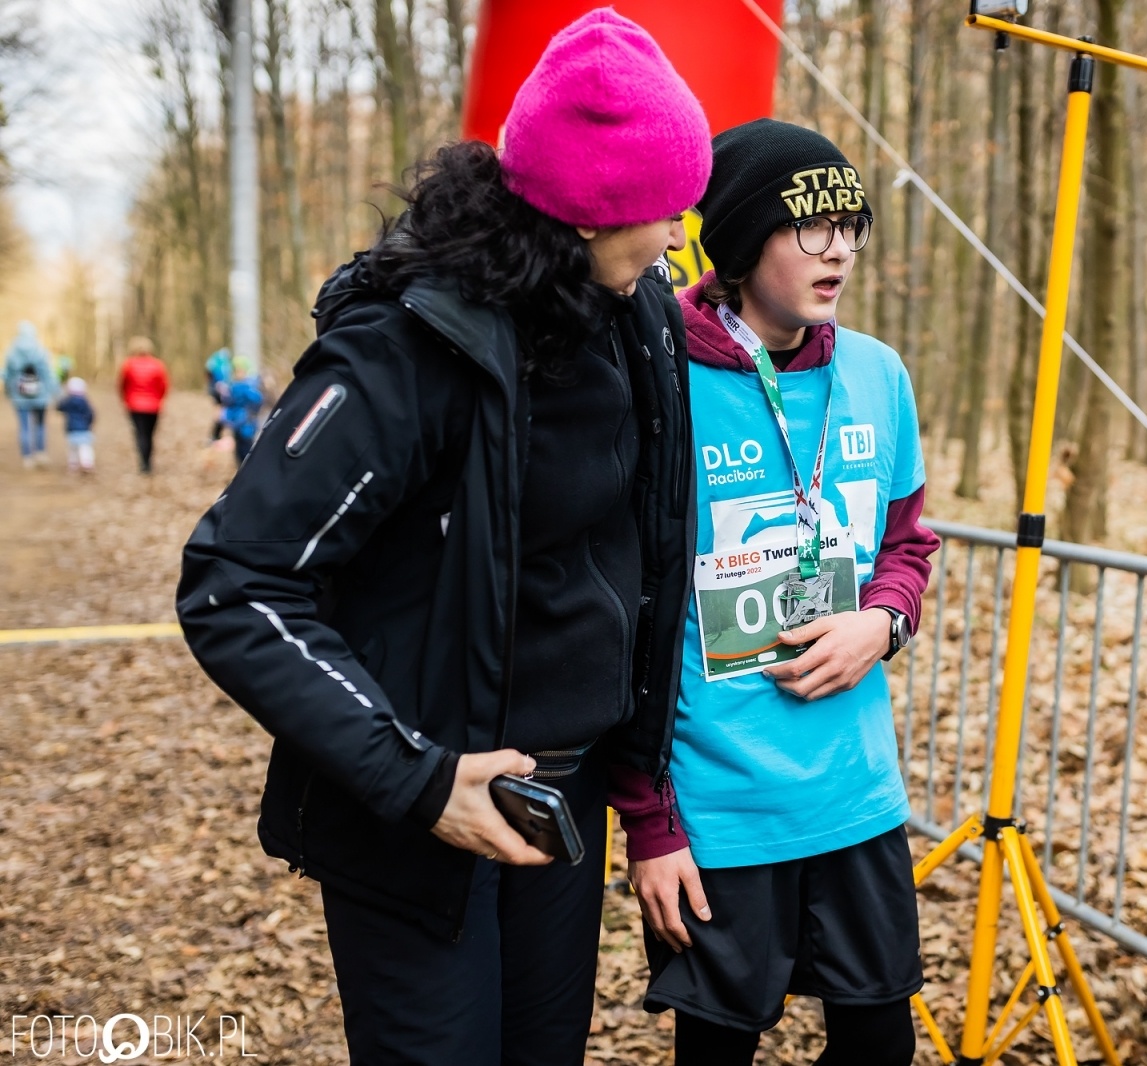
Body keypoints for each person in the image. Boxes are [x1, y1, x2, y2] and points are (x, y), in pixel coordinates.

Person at [175, 10, 710, 1065]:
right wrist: (420, 780)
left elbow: (637, 548)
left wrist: (643, 786)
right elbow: (234, 584)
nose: (677, 235)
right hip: (419, 810)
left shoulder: (638, 310)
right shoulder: (405, 347)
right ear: (592, 214)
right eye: (664, 209)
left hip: (564, 800)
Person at [621, 119, 938, 1066]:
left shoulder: (878, 374)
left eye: (852, 225)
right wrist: (648, 821)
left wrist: (879, 626)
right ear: (740, 236)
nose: (838, 247)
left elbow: (908, 545)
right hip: (718, 805)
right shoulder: (656, 376)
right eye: (810, 227)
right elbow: (621, 612)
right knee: (716, 1053)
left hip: (856, 795)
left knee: (880, 1044)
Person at [4, 321, 58, 468]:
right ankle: (40, 453)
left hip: (19, 396)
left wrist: (9, 391)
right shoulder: (40, 350)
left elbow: (7, 375)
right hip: (40, 395)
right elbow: (48, 374)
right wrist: (55, 392)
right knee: (40, 425)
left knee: (24, 426)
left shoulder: (12, 351)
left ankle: (27, 457)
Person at [118, 337, 168, 474]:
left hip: (135, 406)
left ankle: (143, 464)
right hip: (153, 407)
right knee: (150, 435)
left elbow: (122, 385)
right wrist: (160, 399)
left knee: (140, 434)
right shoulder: (158, 365)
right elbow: (164, 386)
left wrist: (125, 400)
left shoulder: (128, 365)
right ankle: (148, 463)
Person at [219, 354, 262, 467]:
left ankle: (248, 469)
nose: (238, 374)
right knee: (238, 450)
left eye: (240, 371)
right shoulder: (233, 386)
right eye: (236, 371)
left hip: (246, 423)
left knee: (247, 449)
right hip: (236, 423)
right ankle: (242, 469)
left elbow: (257, 401)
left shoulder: (249, 386)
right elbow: (229, 402)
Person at [56, 377, 95, 474]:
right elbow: (91, 414)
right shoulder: (85, 401)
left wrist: (60, 396)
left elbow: (59, 407)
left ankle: (73, 464)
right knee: (85, 447)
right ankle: (87, 463)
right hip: (84, 429)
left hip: (72, 429)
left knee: (72, 448)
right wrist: (89, 423)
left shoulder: (68, 401)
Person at [205, 347, 233, 443]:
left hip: (216, 390)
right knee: (220, 413)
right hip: (219, 391)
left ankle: (216, 435)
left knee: (219, 412)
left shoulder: (214, 361)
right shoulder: (221, 363)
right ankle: (215, 435)